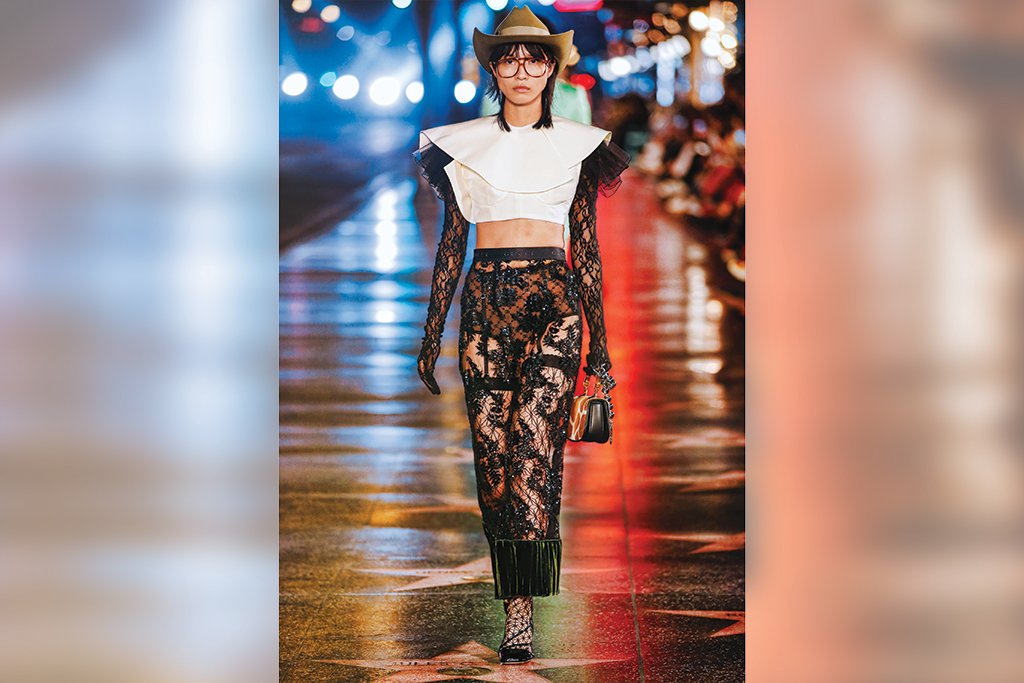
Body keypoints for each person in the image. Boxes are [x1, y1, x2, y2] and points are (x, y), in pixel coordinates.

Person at [411, 4, 628, 665]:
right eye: (510, 59)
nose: (523, 71)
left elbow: (586, 250)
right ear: (494, 70)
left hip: (555, 306)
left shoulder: (581, 146)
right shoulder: (461, 146)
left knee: (535, 453)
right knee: (494, 466)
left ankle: (522, 614)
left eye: (536, 60)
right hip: (486, 306)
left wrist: (601, 349)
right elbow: (452, 244)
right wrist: (431, 332)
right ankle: (515, 595)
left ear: (552, 70)